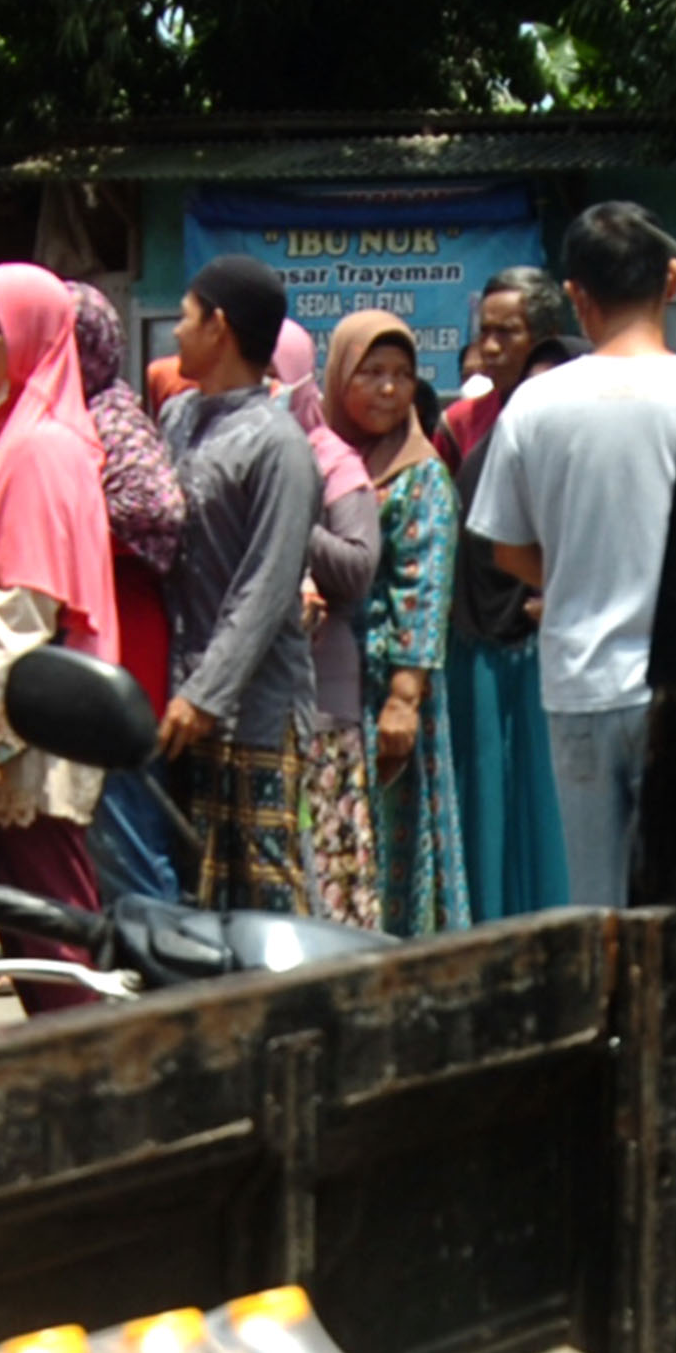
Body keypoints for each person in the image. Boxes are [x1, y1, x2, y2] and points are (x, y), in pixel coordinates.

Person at [468, 202, 676, 911]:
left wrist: (572, 575)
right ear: (671, 277)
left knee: (598, 905)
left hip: (580, 684)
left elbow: (508, 549)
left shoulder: (535, 405)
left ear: (575, 296)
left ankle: (611, 1025)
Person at [0, 263, 119, 1018]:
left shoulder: (41, 446)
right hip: (21, 722)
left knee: (55, 945)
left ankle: (100, 1099)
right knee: (31, 933)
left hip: (31, 731)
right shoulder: (0, 431)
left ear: (33, 339)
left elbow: (26, 607)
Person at [153, 257, 317, 917]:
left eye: (186, 317)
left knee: (270, 898)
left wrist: (206, 692)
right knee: (198, 902)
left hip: (254, 710)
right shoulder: (177, 419)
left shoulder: (280, 445)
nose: (174, 335)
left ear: (219, 327)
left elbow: (269, 586)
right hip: (181, 704)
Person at [323, 312, 464, 937]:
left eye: (402, 375)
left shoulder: (421, 475)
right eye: (371, 372)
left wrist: (405, 697)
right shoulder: (322, 459)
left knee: (395, 833)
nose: (388, 389)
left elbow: (425, 586)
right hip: (327, 685)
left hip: (388, 686)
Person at [447, 322, 575, 922]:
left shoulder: (585, 457)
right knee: (493, 811)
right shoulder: (484, 456)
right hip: (484, 651)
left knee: (552, 815)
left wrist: (565, 593)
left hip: (557, 656)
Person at [68, 285, 185, 910]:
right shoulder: (78, 413)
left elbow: (157, 510)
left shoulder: (110, 418)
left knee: (131, 847)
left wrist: (71, 536)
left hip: (124, 649)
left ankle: (166, 992)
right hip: (102, 645)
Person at [271, 319, 382, 929]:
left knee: (328, 870)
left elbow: (358, 566)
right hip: (255, 700)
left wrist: (288, 516)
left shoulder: (331, 462)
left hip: (321, 699)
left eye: (270, 377)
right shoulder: (234, 442)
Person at [437, 267, 565, 466]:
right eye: (484, 332)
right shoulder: (460, 424)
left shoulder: (578, 416)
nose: (490, 347)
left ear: (546, 337)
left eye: (506, 332)